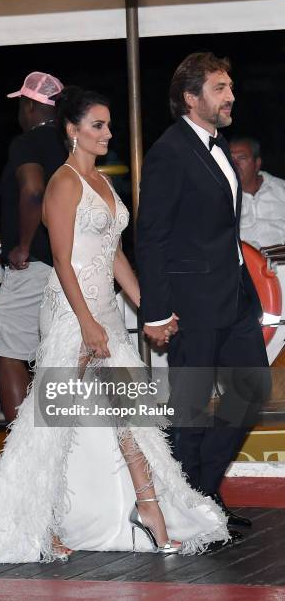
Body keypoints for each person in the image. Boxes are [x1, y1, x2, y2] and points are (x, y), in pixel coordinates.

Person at [0, 86, 229, 567]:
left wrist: (148, 306)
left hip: (103, 311)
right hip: (71, 312)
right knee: (52, 424)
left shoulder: (106, 184)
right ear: (72, 130)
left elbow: (114, 258)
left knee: (128, 414)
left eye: (109, 125)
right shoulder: (63, 183)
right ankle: (39, 523)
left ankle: (149, 509)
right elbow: (63, 263)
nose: (108, 133)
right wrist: (87, 324)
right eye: (98, 125)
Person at [136, 52, 271, 531]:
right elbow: (150, 235)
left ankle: (200, 490)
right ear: (191, 98)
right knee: (190, 409)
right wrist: (155, 311)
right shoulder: (170, 152)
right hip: (193, 301)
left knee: (252, 388)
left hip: (233, 295)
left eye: (229, 85)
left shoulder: (218, 143)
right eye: (218, 87)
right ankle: (189, 509)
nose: (230, 95)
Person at [0, 72, 67, 422]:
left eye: (22, 104)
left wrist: (22, 245)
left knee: (7, 346)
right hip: (67, 263)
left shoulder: (28, 143)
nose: (19, 113)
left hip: (35, 263)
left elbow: (33, 190)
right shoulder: (70, 144)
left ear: (32, 106)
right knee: (56, 353)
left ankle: (19, 449)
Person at [229, 136, 285, 249]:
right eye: (230, 159)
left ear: (257, 163)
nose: (234, 164)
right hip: (244, 263)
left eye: (241, 158)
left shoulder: (281, 188)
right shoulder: (221, 197)